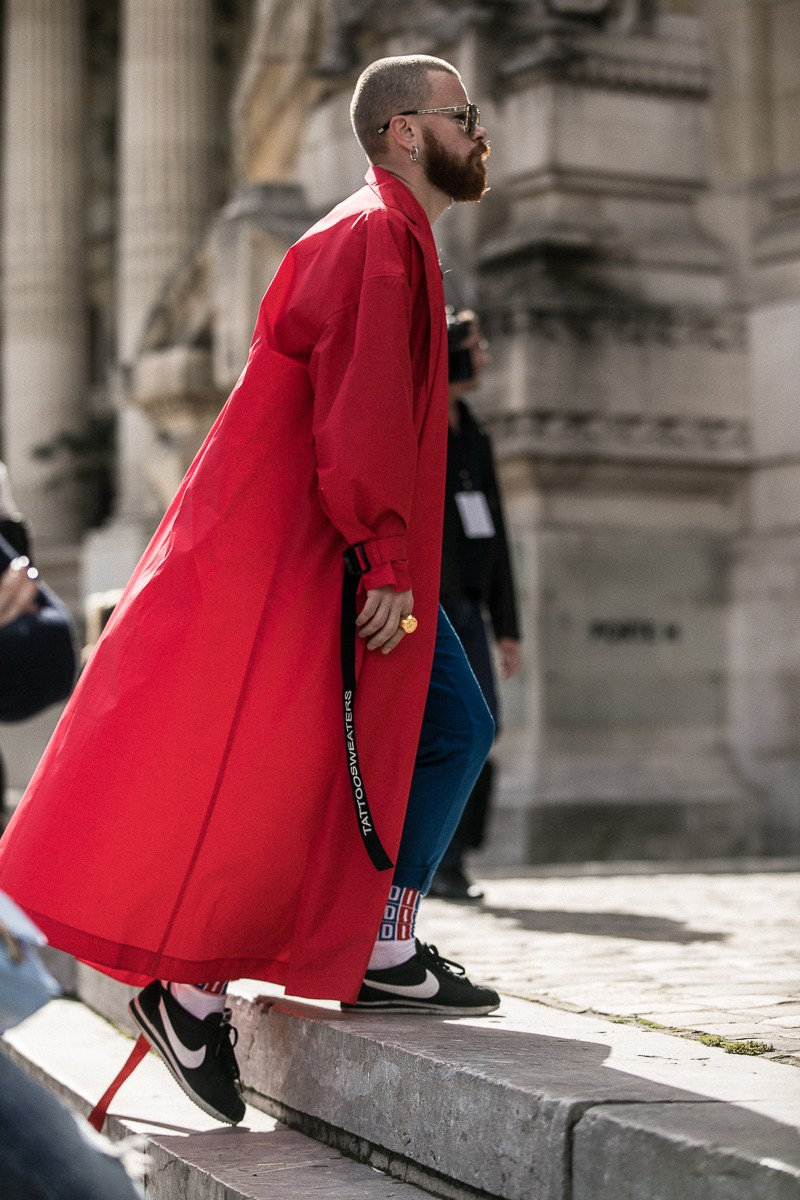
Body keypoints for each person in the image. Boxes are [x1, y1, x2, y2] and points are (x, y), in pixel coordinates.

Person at [0, 55, 498, 1129]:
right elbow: (357, 416)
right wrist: (385, 559)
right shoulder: (373, 241)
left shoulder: (386, 236)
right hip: (324, 556)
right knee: (433, 731)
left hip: (312, 552)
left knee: (340, 756)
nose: (479, 133)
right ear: (405, 131)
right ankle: (346, 948)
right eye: (463, 116)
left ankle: (277, 965)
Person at [428, 311, 521, 902]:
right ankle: (433, 862)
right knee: (445, 731)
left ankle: (455, 858)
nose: (484, 358)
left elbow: (499, 536)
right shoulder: (417, 426)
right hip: (423, 612)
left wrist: (507, 627)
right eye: (476, 347)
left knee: (483, 727)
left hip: (469, 610)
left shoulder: (477, 435)